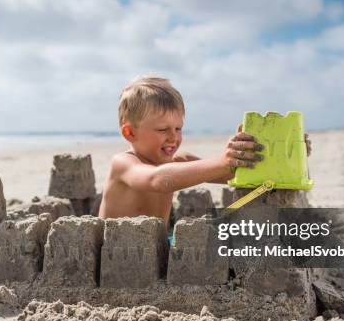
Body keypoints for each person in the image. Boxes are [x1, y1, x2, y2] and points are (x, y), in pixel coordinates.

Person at [99, 77, 311, 225]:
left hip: (155, 249)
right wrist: (223, 161)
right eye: (163, 129)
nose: (173, 137)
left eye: (178, 128)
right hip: (116, 256)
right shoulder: (124, 164)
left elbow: (236, 174)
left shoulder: (179, 162)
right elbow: (158, 180)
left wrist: (284, 153)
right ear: (129, 133)